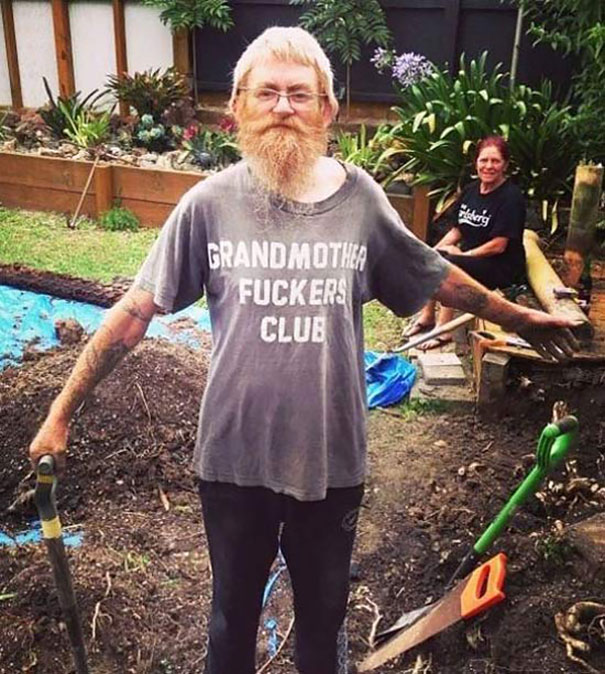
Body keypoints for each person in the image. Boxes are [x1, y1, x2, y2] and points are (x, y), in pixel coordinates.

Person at [29, 27, 579, 674]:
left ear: (327, 109)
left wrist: (519, 316)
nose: (283, 107)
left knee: (322, 625)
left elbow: (433, 275)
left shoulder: (360, 202)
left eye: (300, 94)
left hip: (330, 461)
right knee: (230, 622)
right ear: (237, 105)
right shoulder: (209, 205)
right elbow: (133, 315)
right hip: (233, 461)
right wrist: (60, 413)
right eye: (267, 93)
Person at [403, 135, 527, 349]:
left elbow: (499, 245)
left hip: (502, 266)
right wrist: (432, 251)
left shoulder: (511, 198)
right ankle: (427, 316)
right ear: (476, 162)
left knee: (449, 265)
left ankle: (444, 330)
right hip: (474, 258)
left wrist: (462, 255)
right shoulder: (471, 191)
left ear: (505, 165)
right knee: (434, 257)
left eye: (495, 161)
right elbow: (458, 229)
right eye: (484, 160)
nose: (489, 166)